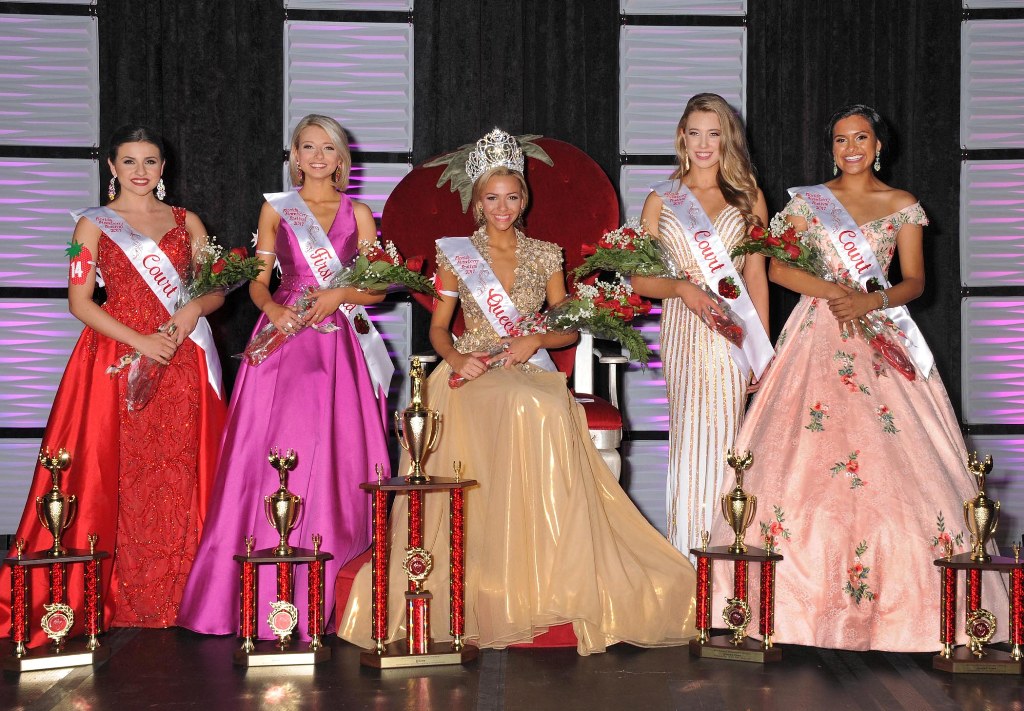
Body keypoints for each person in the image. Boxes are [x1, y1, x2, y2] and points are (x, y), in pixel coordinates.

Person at [338, 129, 697, 655]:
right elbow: (439, 329)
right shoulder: (455, 254)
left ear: (522, 198)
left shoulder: (546, 253)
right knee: (520, 402)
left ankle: (550, 561)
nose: (501, 207)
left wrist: (533, 340)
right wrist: (460, 357)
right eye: (491, 198)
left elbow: (567, 330)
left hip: (527, 362)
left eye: (511, 197)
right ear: (477, 201)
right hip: (472, 370)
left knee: (546, 402)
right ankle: (494, 562)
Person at [710, 104, 1008, 651]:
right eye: (842, 139)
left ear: (878, 145)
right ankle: (788, 613)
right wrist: (836, 296)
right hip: (815, 335)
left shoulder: (902, 206)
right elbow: (778, 267)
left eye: (862, 138)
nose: (851, 148)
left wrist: (870, 298)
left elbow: (916, 281)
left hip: (880, 331)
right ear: (832, 148)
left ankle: (913, 617)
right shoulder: (807, 203)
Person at [0, 125, 227, 643]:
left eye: (151, 161)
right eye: (130, 161)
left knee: (177, 472)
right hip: (115, 358)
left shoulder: (186, 220)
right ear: (111, 168)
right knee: (112, 471)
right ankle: (112, 594)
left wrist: (191, 309)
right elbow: (80, 302)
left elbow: (213, 290)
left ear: (163, 169)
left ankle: (181, 593)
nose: (140, 171)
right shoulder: (90, 226)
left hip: (181, 358)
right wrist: (140, 343)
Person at [177, 114, 392, 640]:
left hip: (337, 338)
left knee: (337, 452)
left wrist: (340, 295)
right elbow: (256, 282)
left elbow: (377, 290)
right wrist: (272, 308)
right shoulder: (276, 208)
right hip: (283, 335)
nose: (318, 157)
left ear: (342, 160)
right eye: (307, 147)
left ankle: (332, 586)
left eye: (328, 149)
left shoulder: (359, 213)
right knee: (269, 448)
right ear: (294, 155)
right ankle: (251, 584)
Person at [630, 93, 771, 559]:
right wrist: (684, 290)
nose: (704, 143)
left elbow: (756, 276)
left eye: (714, 133)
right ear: (682, 137)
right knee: (689, 444)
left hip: (732, 335)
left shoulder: (749, 198)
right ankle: (687, 564)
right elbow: (640, 279)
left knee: (728, 446)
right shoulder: (661, 200)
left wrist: (761, 353)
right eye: (695, 133)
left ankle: (725, 566)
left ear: (726, 138)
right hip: (684, 331)